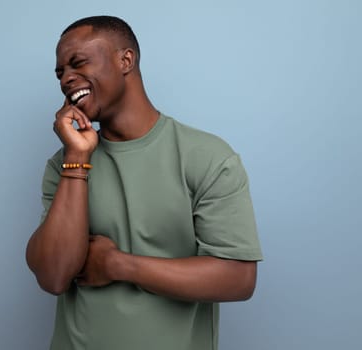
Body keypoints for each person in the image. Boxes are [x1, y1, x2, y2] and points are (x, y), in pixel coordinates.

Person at [26, 15, 263, 350]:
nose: (66, 79)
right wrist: (76, 160)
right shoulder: (65, 164)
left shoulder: (206, 156)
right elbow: (52, 276)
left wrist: (118, 265)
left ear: (126, 60)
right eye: (60, 72)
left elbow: (239, 279)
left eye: (77, 63)